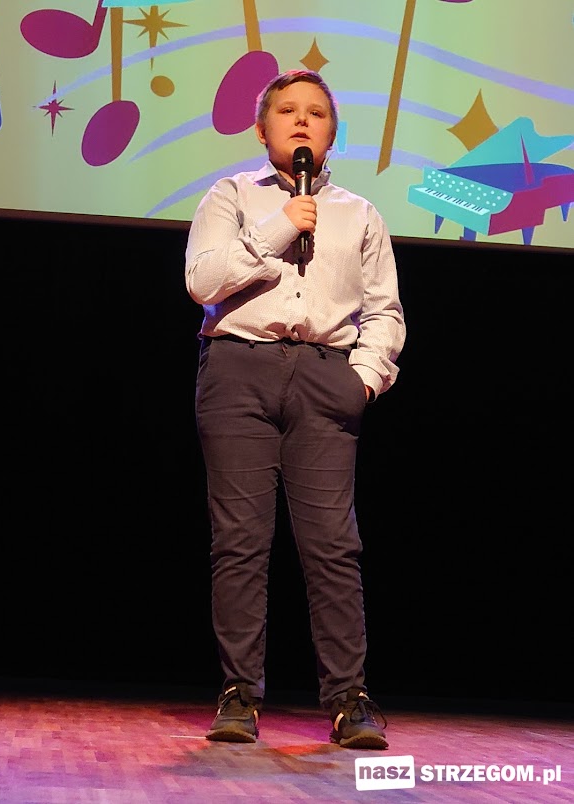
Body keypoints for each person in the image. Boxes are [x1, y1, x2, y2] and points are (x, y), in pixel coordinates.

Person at [184, 69, 406, 750]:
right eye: (287, 110)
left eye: (316, 112)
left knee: (333, 544)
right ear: (262, 128)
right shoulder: (230, 196)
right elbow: (202, 282)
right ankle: (238, 694)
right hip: (238, 371)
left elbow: (384, 311)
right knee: (240, 541)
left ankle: (347, 698)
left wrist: (362, 382)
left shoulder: (360, 213)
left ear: (332, 132)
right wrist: (280, 226)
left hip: (324, 376)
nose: (302, 120)